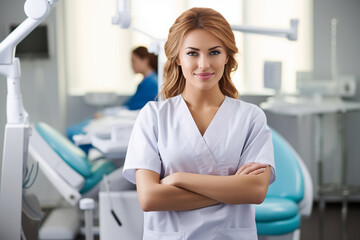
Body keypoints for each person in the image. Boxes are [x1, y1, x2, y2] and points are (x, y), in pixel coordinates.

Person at [122, 7, 276, 240]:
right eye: (193, 53)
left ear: (227, 56)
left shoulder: (250, 117)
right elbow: (150, 198)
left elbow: (255, 191)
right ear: (178, 58)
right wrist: (233, 188)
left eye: (214, 52)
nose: (204, 64)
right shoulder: (153, 116)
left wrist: (179, 179)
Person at [66, 46, 158, 142]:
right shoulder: (147, 81)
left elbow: (133, 109)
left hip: (126, 119)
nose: (131, 65)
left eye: (133, 61)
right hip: (124, 116)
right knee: (84, 125)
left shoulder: (151, 83)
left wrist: (106, 113)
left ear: (145, 60)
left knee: (74, 132)